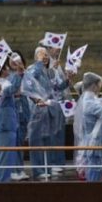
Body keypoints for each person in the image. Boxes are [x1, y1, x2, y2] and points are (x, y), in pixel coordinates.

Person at [22, 46, 73, 180]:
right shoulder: (33, 69)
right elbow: (29, 84)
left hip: (49, 109)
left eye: (46, 55)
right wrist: (39, 63)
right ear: (36, 56)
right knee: (37, 141)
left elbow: (55, 87)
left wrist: (67, 81)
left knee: (48, 140)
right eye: (41, 55)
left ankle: (48, 167)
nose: (45, 57)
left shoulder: (47, 71)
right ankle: (38, 170)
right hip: (37, 110)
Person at [0, 52, 27, 182]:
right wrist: (19, 73)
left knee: (8, 157)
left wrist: (19, 74)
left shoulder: (4, 82)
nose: (8, 69)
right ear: (2, 70)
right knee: (4, 158)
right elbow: (12, 89)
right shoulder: (0, 84)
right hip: (5, 125)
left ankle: (4, 182)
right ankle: (1, 183)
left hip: (9, 124)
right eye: (6, 67)